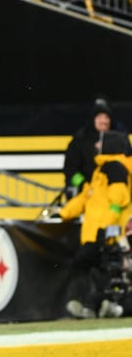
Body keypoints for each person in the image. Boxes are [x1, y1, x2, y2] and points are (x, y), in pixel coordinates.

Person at [58, 130, 132, 319]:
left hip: (106, 232)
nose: (96, 146)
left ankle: (90, 303)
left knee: (84, 264)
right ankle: (92, 306)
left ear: (109, 145)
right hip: (96, 231)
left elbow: (118, 201)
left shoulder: (115, 168)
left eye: (100, 143)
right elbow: (86, 197)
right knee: (97, 270)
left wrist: (106, 228)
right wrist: (63, 212)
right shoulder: (101, 171)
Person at [63, 97, 130, 199]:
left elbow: (129, 162)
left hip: (114, 194)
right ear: (92, 119)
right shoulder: (79, 140)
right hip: (87, 194)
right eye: (99, 117)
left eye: (107, 117)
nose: (104, 121)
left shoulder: (121, 139)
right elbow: (70, 170)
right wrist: (84, 186)